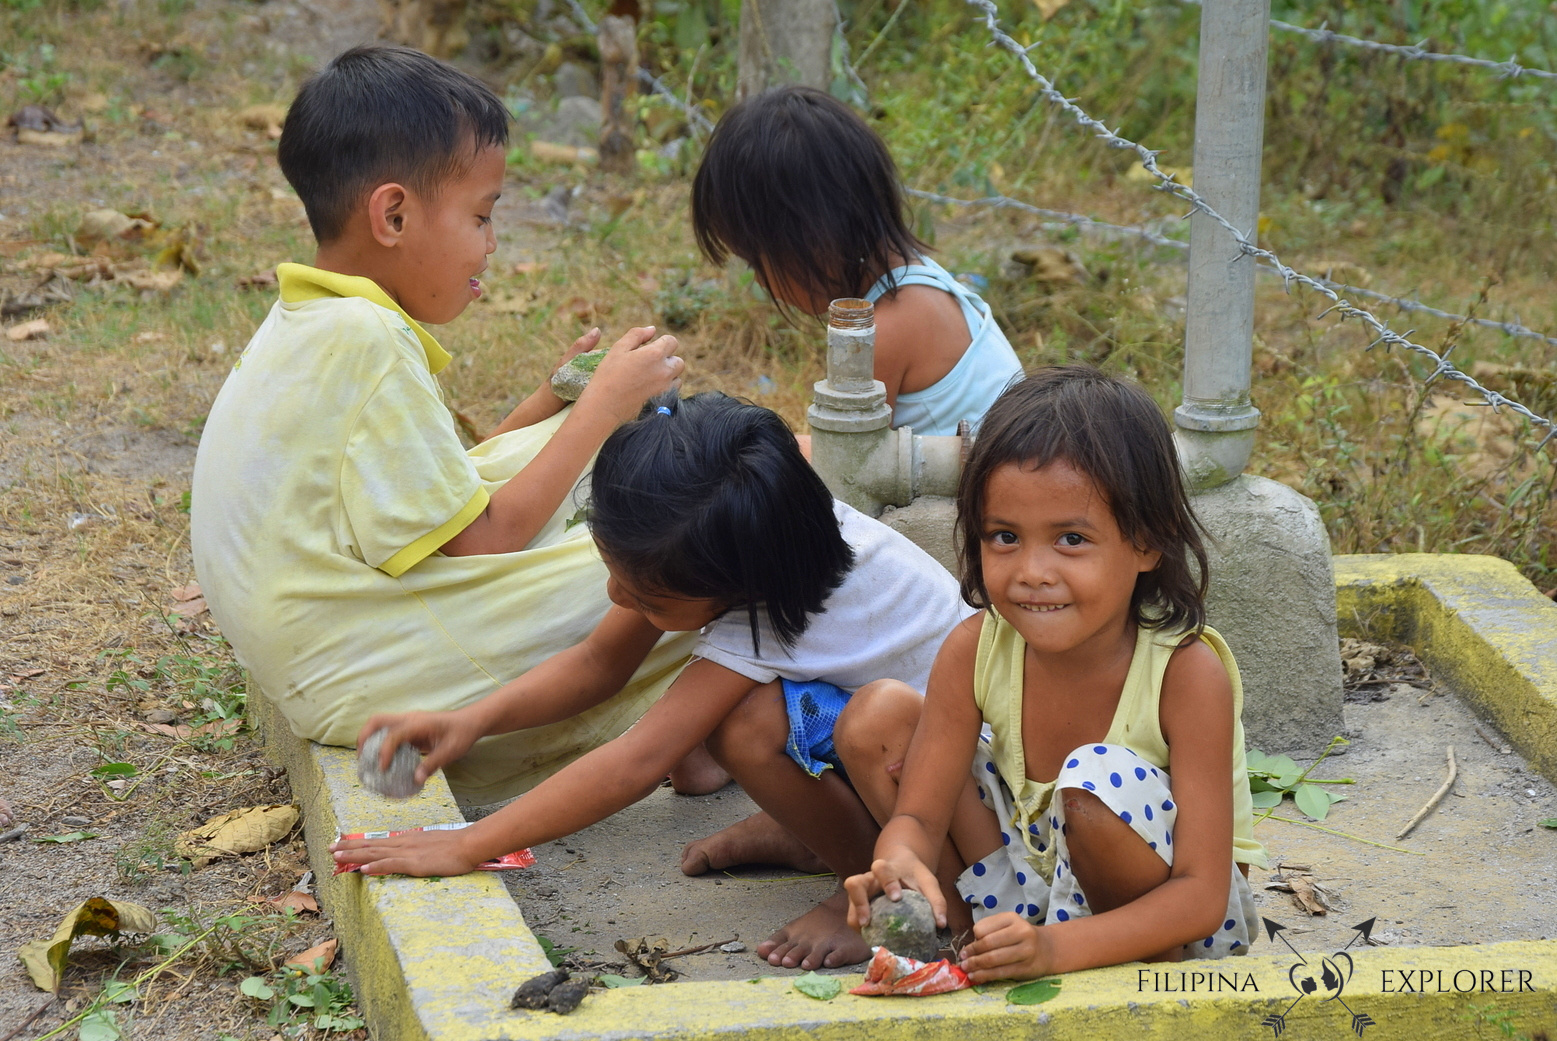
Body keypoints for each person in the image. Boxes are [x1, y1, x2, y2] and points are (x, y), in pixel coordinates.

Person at [190, 46, 691, 804]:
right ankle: (715, 724)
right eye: (482, 216)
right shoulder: (367, 339)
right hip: (373, 675)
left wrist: (552, 405)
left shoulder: (316, 318)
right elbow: (484, 534)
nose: (492, 241)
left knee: (604, 460)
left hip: (326, 650)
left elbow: (443, 489)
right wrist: (601, 406)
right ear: (393, 214)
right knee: (709, 535)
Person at [330, 392, 976, 970]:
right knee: (749, 718)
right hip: (898, 749)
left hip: (966, 799)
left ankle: (872, 890)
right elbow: (597, 663)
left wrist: (470, 843)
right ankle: (819, 829)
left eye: (643, 593)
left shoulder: (779, 607)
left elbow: (635, 762)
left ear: (733, 586)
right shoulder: (759, 542)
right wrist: (469, 720)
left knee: (742, 724)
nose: (618, 594)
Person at [836, 366, 1267, 983]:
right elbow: (920, 818)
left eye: (1070, 538)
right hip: (1032, 876)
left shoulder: (1185, 673)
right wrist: (897, 863)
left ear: (1146, 543)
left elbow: (1199, 897)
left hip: (1175, 925)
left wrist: (1056, 952)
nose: (1032, 571)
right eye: (1005, 536)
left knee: (1094, 779)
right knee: (878, 719)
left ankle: (1106, 979)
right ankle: (964, 950)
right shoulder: (976, 648)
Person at [691, 85, 1023, 437]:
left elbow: (845, 467)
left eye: (755, 261)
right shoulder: (920, 279)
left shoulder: (886, 332)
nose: (758, 281)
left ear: (814, 239)